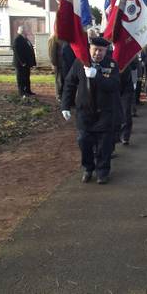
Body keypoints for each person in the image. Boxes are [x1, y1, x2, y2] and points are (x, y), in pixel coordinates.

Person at [61, 37, 120, 184]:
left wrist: (97, 76)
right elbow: (69, 84)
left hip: (105, 112)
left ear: (106, 51)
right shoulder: (80, 62)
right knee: (84, 141)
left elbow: (113, 85)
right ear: (89, 48)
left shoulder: (112, 65)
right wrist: (65, 106)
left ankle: (102, 172)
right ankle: (88, 168)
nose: (98, 53)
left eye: (101, 50)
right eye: (95, 49)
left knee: (104, 145)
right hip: (85, 112)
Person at [12, 25, 36, 97]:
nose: (27, 32)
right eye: (26, 30)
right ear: (22, 31)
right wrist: (22, 62)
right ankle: (22, 92)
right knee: (21, 78)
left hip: (26, 63)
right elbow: (17, 52)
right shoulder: (18, 39)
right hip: (21, 64)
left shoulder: (25, 39)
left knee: (26, 77)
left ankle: (28, 91)